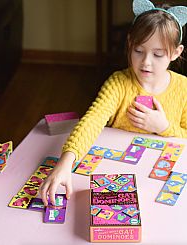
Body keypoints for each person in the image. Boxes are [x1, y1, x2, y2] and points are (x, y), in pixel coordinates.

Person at [40, 0, 187, 206]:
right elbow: (92, 120)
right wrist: (65, 162)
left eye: (157, 54)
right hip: (115, 171)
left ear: (175, 53)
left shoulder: (183, 88)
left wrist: (164, 127)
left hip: (160, 179)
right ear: (129, 43)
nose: (145, 61)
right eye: (138, 51)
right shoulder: (118, 82)